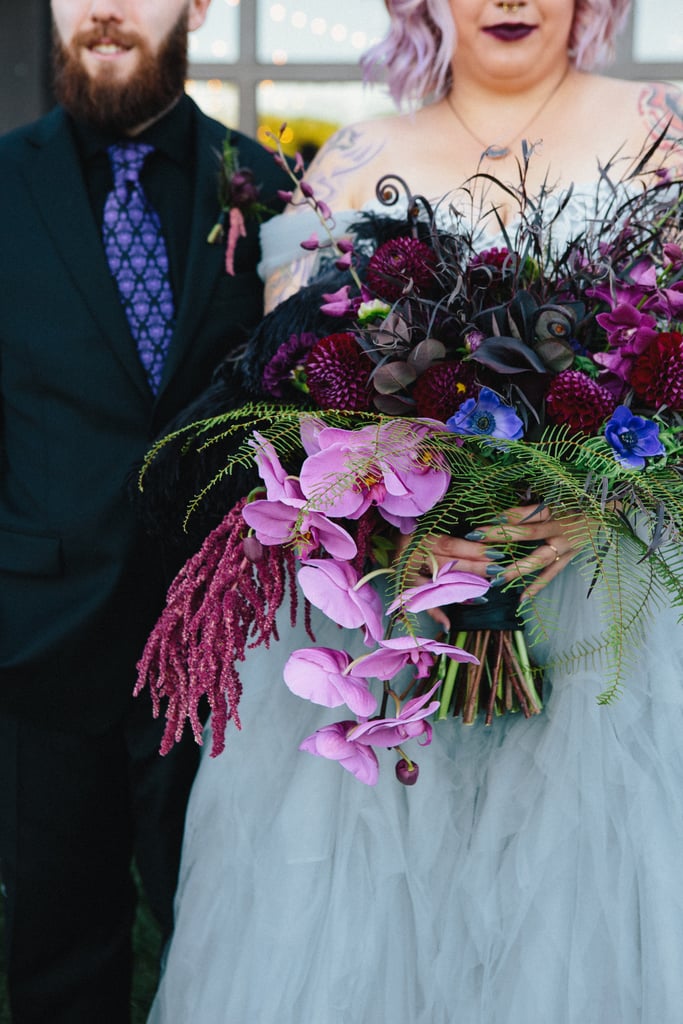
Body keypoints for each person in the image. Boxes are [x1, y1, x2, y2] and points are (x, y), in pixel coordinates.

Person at [148, 1, 683, 1022]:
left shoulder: (660, 136)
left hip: (610, 623)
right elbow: (299, 400)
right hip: (390, 618)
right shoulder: (355, 161)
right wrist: (394, 525)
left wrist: (603, 506)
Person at [0, 1, 290, 1021]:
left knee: (224, 946)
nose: (106, 7)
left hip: (222, 658)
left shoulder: (265, 183)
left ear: (200, 5)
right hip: (37, 645)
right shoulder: (2, 182)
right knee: (54, 959)